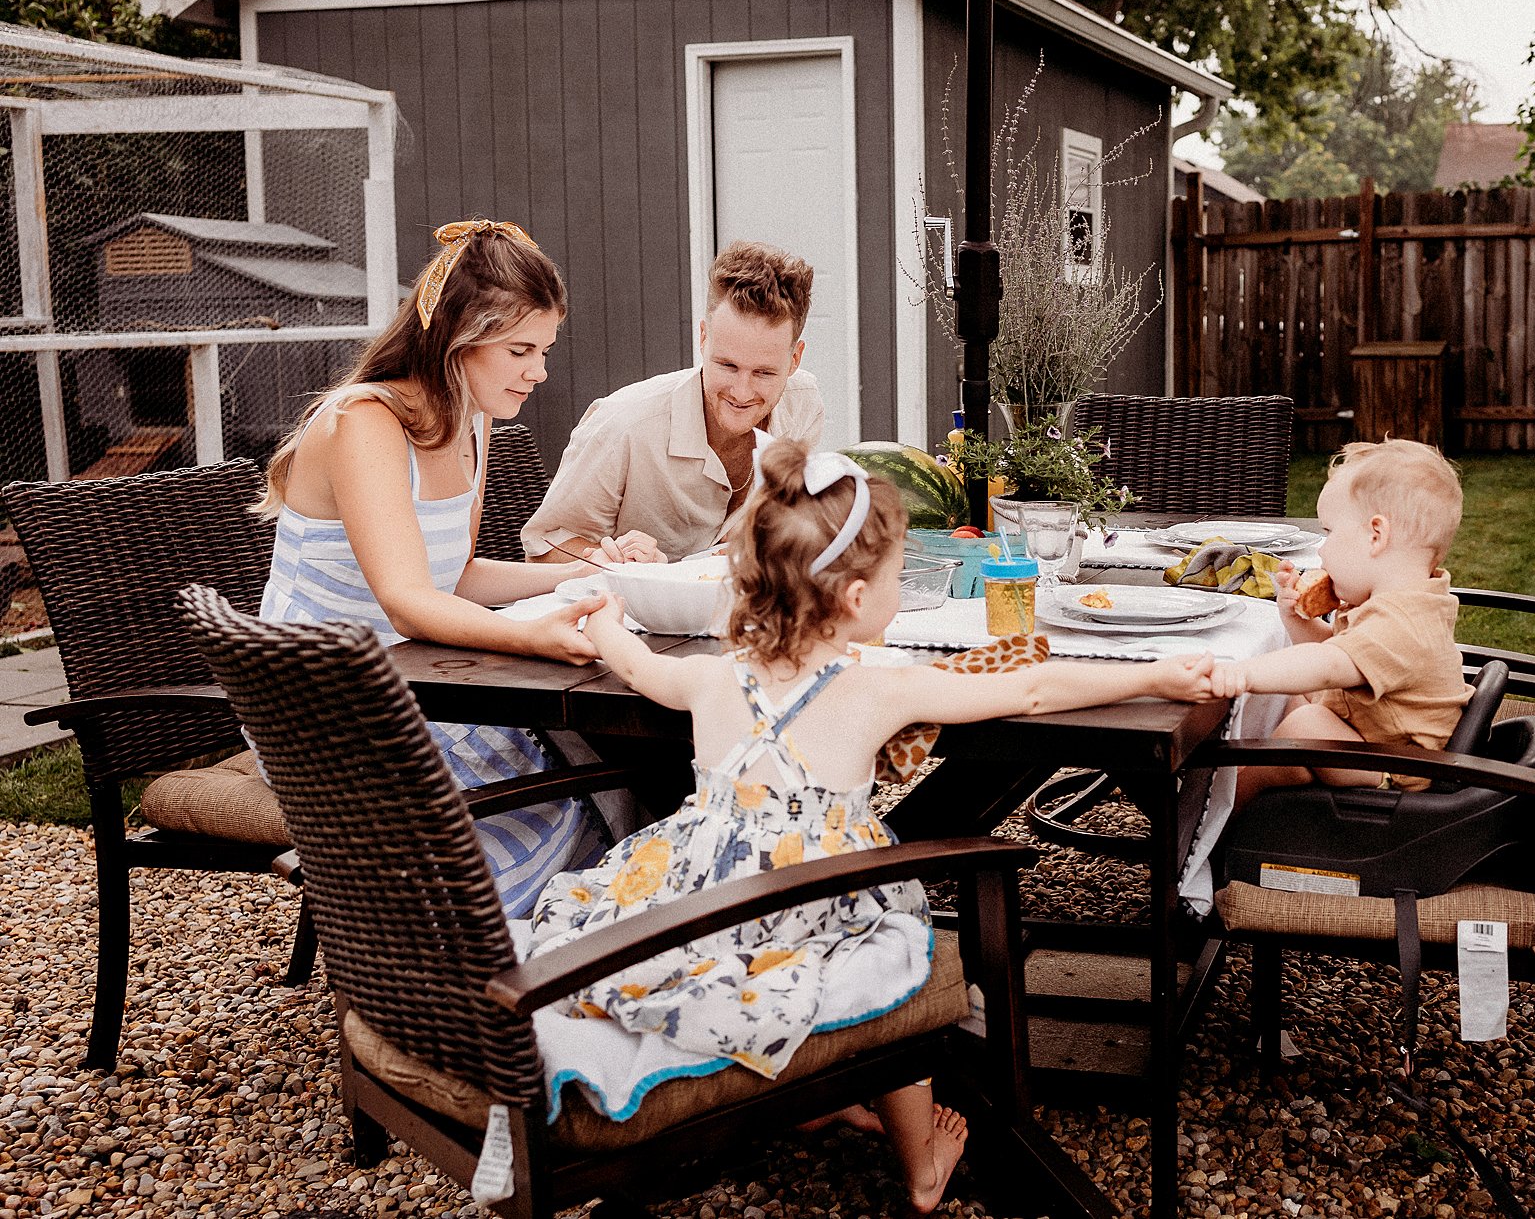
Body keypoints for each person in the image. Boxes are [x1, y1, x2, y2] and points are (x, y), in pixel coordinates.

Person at [523, 436, 1215, 1214]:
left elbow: (636, 664)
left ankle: (816, 1091)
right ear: (856, 600)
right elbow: (1031, 690)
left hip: (699, 903)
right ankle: (921, 1165)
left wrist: (607, 617)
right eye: (894, 572)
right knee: (894, 949)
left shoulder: (709, 674)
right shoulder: (871, 690)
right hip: (810, 902)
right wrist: (1154, 674)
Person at [256, 218, 617, 917]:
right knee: (573, 778)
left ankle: (566, 939)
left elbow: (452, 576)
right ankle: (474, 952)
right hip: (323, 706)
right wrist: (534, 636)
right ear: (458, 337)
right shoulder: (365, 421)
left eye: (543, 349)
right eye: (520, 349)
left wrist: (579, 576)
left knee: (591, 763)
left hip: (415, 680)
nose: (539, 371)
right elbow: (406, 600)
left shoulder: (472, 418)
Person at [522, 240, 826, 564]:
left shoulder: (803, 408)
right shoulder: (624, 424)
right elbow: (544, 549)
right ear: (704, 338)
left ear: (795, 359)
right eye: (727, 365)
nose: (741, 391)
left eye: (764, 372)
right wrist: (617, 563)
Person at [1208, 438, 1475, 806]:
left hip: (1400, 778)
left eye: (1329, 532)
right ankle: (1266, 786)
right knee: (1293, 703)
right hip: (1371, 737)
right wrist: (1294, 616)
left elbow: (1329, 665)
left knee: (1305, 722)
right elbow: (1335, 650)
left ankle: (1216, 823)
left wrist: (1243, 674)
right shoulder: (1398, 601)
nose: (1321, 548)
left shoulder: (1401, 624)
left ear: (1376, 536)